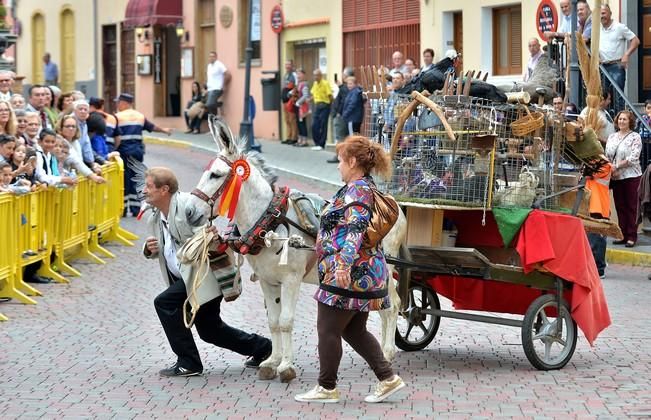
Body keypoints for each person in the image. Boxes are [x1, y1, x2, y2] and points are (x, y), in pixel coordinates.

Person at [295, 136, 406, 404]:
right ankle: (388, 378)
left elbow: (355, 229)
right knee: (353, 330)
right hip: (361, 272)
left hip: (349, 274)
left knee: (327, 329)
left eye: (341, 161)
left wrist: (343, 264)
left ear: (353, 162)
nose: (338, 166)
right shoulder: (359, 187)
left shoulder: (357, 190)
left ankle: (326, 387)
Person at [142, 167, 272, 377]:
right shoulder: (156, 216)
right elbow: (167, 248)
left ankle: (189, 362)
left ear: (164, 189)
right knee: (211, 331)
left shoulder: (186, 206)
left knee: (164, 303)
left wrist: (209, 235)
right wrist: (150, 249)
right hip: (189, 277)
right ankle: (263, 348)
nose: (144, 190)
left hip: (203, 276)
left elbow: (206, 233)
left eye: (148, 186)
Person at [115, 93, 172, 216]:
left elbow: (114, 135)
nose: (117, 105)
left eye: (118, 102)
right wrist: (164, 131)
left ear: (124, 103)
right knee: (136, 179)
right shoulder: (140, 116)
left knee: (123, 180)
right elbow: (152, 127)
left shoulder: (117, 117)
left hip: (123, 152)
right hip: (137, 152)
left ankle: (123, 209)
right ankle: (136, 209)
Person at [605, 110, 642, 248]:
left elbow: (633, 157)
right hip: (616, 176)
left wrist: (617, 166)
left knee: (631, 206)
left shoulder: (635, 137)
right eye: (620, 119)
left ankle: (632, 236)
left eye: (624, 119)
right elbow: (607, 155)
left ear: (630, 122)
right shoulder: (612, 137)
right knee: (620, 206)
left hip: (631, 176)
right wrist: (610, 168)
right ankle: (623, 234)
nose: (621, 121)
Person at [599, 4, 640, 113]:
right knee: (602, 96)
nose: (601, 16)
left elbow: (635, 40)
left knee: (618, 96)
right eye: (599, 13)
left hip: (616, 65)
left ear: (610, 13)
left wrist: (626, 54)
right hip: (602, 66)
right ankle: (606, 121)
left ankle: (620, 121)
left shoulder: (619, 27)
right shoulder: (597, 29)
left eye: (603, 13)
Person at [327, 67, 355, 163]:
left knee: (339, 137)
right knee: (343, 137)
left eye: (343, 74)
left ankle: (339, 156)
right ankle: (342, 156)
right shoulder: (345, 86)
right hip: (342, 116)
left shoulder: (346, 87)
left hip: (341, 116)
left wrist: (338, 114)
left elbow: (344, 101)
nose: (342, 76)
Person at [310, 69, 333, 151]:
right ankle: (317, 143)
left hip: (324, 105)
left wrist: (329, 105)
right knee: (314, 125)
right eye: (314, 75)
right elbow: (313, 93)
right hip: (317, 105)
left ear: (320, 75)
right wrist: (309, 99)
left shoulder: (325, 83)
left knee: (323, 125)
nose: (315, 77)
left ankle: (321, 144)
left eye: (317, 75)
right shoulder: (315, 83)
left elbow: (330, 96)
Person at [205, 52, 231, 116]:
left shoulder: (219, 64)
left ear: (216, 57)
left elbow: (228, 74)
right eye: (210, 57)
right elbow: (210, 78)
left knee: (209, 104)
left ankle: (219, 104)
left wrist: (224, 85)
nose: (211, 58)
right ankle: (215, 121)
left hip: (217, 88)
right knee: (210, 108)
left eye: (213, 56)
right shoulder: (209, 66)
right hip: (210, 89)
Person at [294, 69, 311, 148]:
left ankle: (304, 140)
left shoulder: (304, 84)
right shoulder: (299, 84)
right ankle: (300, 139)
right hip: (298, 107)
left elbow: (305, 95)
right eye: (297, 74)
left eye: (300, 74)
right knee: (298, 123)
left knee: (302, 123)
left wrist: (298, 102)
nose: (298, 76)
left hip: (303, 107)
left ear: (304, 75)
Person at [281, 81, 298, 145]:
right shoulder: (286, 75)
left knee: (292, 121)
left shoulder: (293, 76)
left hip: (290, 103)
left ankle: (294, 138)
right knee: (287, 121)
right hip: (285, 103)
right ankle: (289, 137)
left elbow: (294, 89)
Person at [637, 99, 651, 169]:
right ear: (645, 109)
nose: (650, 110)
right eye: (648, 108)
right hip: (644, 142)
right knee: (644, 160)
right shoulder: (642, 118)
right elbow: (638, 126)